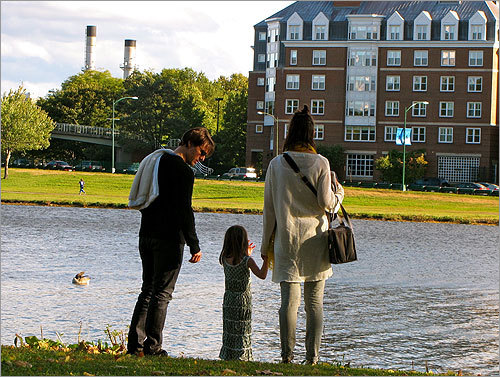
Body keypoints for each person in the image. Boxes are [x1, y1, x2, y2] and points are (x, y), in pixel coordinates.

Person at [260, 105, 344, 365]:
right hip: (315, 239)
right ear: (312, 133)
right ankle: (313, 358)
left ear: (289, 132)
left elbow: (269, 209)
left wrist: (265, 245)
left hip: (286, 238)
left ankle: (286, 356)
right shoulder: (321, 162)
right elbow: (327, 203)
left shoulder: (276, 164)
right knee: (314, 304)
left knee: (288, 303)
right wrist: (340, 193)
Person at [127, 127, 215, 356]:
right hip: (169, 238)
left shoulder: (155, 161)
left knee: (147, 290)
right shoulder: (183, 171)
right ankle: (153, 347)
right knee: (162, 293)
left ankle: (135, 346)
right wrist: (194, 244)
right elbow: (184, 211)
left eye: (205, 155)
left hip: (146, 234)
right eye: (201, 151)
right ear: (188, 143)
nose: (202, 158)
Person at [219, 225, 268, 361]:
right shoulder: (247, 261)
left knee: (230, 328)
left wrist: (247, 254)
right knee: (242, 329)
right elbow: (262, 275)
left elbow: (236, 261)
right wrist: (266, 260)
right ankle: (242, 356)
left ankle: (228, 355)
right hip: (242, 300)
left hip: (229, 299)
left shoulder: (224, 258)